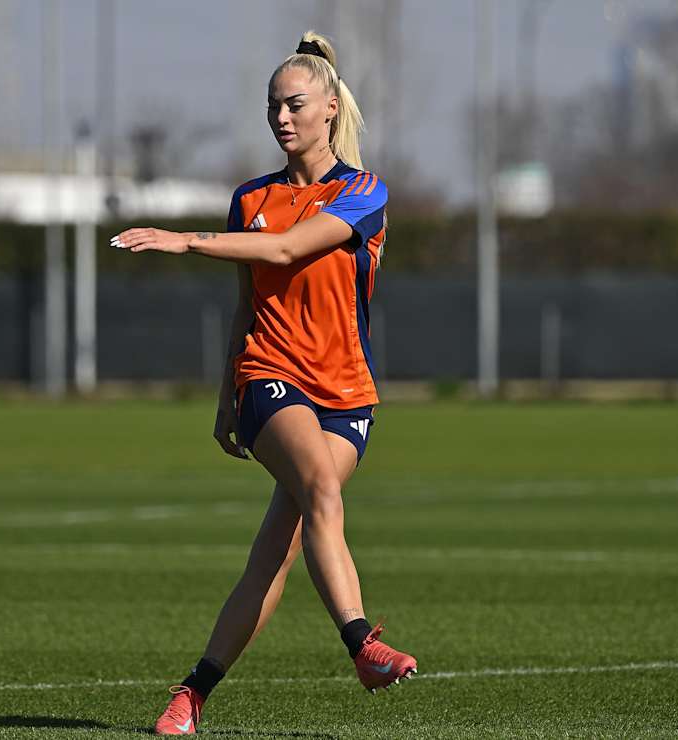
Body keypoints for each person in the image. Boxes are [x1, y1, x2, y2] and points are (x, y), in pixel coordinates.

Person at [110, 30, 417, 736]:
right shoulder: (251, 195)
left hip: (347, 396)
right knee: (320, 488)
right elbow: (249, 303)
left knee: (277, 550)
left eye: (295, 104)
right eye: (272, 106)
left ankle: (191, 694)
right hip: (269, 378)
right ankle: (362, 643)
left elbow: (286, 247)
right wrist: (227, 394)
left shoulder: (365, 193)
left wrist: (183, 240)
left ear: (330, 108)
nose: (281, 118)